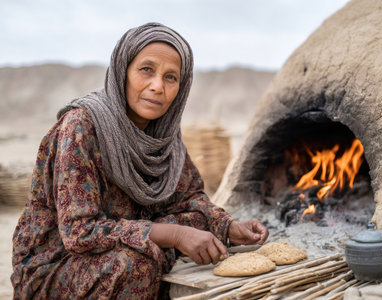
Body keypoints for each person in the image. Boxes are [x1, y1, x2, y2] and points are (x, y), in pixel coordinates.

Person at [11, 22, 269, 299]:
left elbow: (191, 198)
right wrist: (175, 236)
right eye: (146, 70)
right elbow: (79, 232)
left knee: (193, 220)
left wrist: (228, 226)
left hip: (123, 247)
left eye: (171, 77)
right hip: (57, 265)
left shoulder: (164, 136)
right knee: (136, 264)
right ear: (123, 71)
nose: (157, 86)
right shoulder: (81, 126)